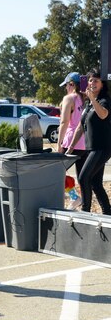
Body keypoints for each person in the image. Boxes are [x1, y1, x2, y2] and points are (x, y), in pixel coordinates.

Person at [67, 68, 111, 214]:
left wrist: (92, 98)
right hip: (92, 148)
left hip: (103, 147)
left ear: (102, 84)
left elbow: (103, 115)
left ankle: (85, 212)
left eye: (96, 80)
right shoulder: (88, 104)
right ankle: (108, 214)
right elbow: (80, 126)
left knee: (83, 177)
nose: (92, 83)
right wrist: (71, 146)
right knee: (96, 183)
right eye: (90, 80)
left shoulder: (104, 101)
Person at [57, 72, 86, 197]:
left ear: (72, 84)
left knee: (56, 172)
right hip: (86, 142)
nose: (66, 88)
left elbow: (64, 122)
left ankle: (74, 198)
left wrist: (59, 144)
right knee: (83, 177)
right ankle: (85, 205)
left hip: (71, 142)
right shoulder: (87, 98)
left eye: (67, 85)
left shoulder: (69, 98)